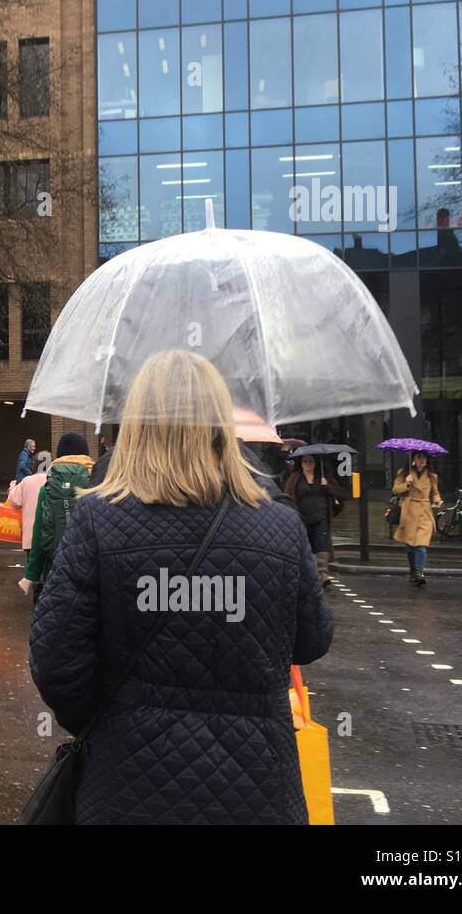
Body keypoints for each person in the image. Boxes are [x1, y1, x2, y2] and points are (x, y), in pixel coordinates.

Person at [30, 351, 334, 825]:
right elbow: (312, 640)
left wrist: (111, 717)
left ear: (137, 422)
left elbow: (55, 661)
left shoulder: (98, 520)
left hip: (126, 784)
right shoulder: (280, 525)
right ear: (220, 424)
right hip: (257, 789)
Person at [18, 432, 93, 605]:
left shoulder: (48, 488)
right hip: (89, 565)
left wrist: (31, 575)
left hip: (54, 566)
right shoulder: (97, 483)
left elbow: (39, 535)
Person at [284, 455, 342, 588]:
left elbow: (339, 495)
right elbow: (287, 496)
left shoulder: (323, 477)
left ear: (316, 463)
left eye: (311, 461)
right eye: (305, 461)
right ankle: (306, 574)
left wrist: (327, 486)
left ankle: (323, 574)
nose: (308, 463)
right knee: (305, 546)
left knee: (321, 545)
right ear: (301, 463)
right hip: (301, 517)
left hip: (320, 517)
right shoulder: (295, 478)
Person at [392, 452, 442, 587]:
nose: (422, 460)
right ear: (413, 459)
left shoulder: (432, 476)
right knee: (410, 547)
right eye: (419, 457)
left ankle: (419, 572)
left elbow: (435, 493)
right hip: (409, 512)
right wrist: (406, 484)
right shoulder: (404, 473)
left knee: (421, 546)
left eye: (424, 457)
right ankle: (413, 570)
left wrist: (437, 500)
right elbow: (395, 490)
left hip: (425, 512)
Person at [6, 453, 50, 552]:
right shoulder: (55, 480)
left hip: (31, 537)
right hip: (51, 536)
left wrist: (12, 487)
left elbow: (14, 501)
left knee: (32, 565)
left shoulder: (27, 481)